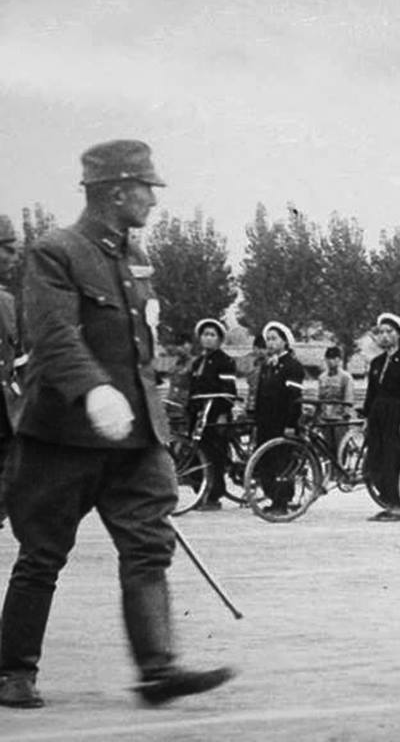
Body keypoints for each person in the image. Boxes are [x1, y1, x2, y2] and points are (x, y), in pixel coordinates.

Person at [0, 140, 233, 709]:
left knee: (149, 547)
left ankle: (158, 671)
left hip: (135, 437)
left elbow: (138, 344)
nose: (154, 199)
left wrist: (147, 413)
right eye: (147, 188)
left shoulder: (135, 257)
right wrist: (94, 389)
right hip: (64, 436)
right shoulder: (56, 253)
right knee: (43, 554)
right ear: (117, 192)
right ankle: (12, 672)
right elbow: (54, 335)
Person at [362, 313, 400, 522]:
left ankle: (396, 505)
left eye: (389, 332)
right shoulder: (377, 362)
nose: (384, 336)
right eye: (381, 332)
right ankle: (386, 501)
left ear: (399, 335)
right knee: (375, 459)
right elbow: (371, 392)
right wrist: (366, 417)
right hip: (378, 412)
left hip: (396, 413)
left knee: (392, 459)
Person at [253, 321, 306, 514]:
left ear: (285, 341)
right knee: (265, 462)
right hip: (266, 422)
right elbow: (260, 395)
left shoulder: (293, 366)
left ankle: (282, 501)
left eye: (274, 338)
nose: (270, 342)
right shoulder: (267, 366)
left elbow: (294, 398)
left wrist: (291, 424)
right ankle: (273, 498)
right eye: (268, 339)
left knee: (282, 463)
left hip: (283, 422)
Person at [188, 319, 237, 511]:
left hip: (214, 416)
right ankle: (200, 492)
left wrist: (222, 414)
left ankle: (214, 495)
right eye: (205, 334)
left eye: (212, 335)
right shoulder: (198, 362)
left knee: (214, 455)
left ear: (219, 339)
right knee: (196, 454)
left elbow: (228, 392)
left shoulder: (225, 362)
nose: (207, 338)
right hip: (198, 416)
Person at [0, 225, 24, 531]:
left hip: (5, 412)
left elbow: (17, 357)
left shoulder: (7, 302)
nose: (15, 256)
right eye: (7, 249)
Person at [317, 346, 354, 419]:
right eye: (328, 358)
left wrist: (346, 414)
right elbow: (320, 398)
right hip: (324, 416)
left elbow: (348, 398)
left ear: (339, 359)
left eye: (334, 358)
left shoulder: (346, 377)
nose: (331, 361)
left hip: (339, 417)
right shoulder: (322, 377)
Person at [243, 334, 267, 416]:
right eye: (258, 348)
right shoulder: (249, 361)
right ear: (254, 348)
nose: (261, 351)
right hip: (251, 403)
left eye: (264, 348)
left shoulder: (270, 363)